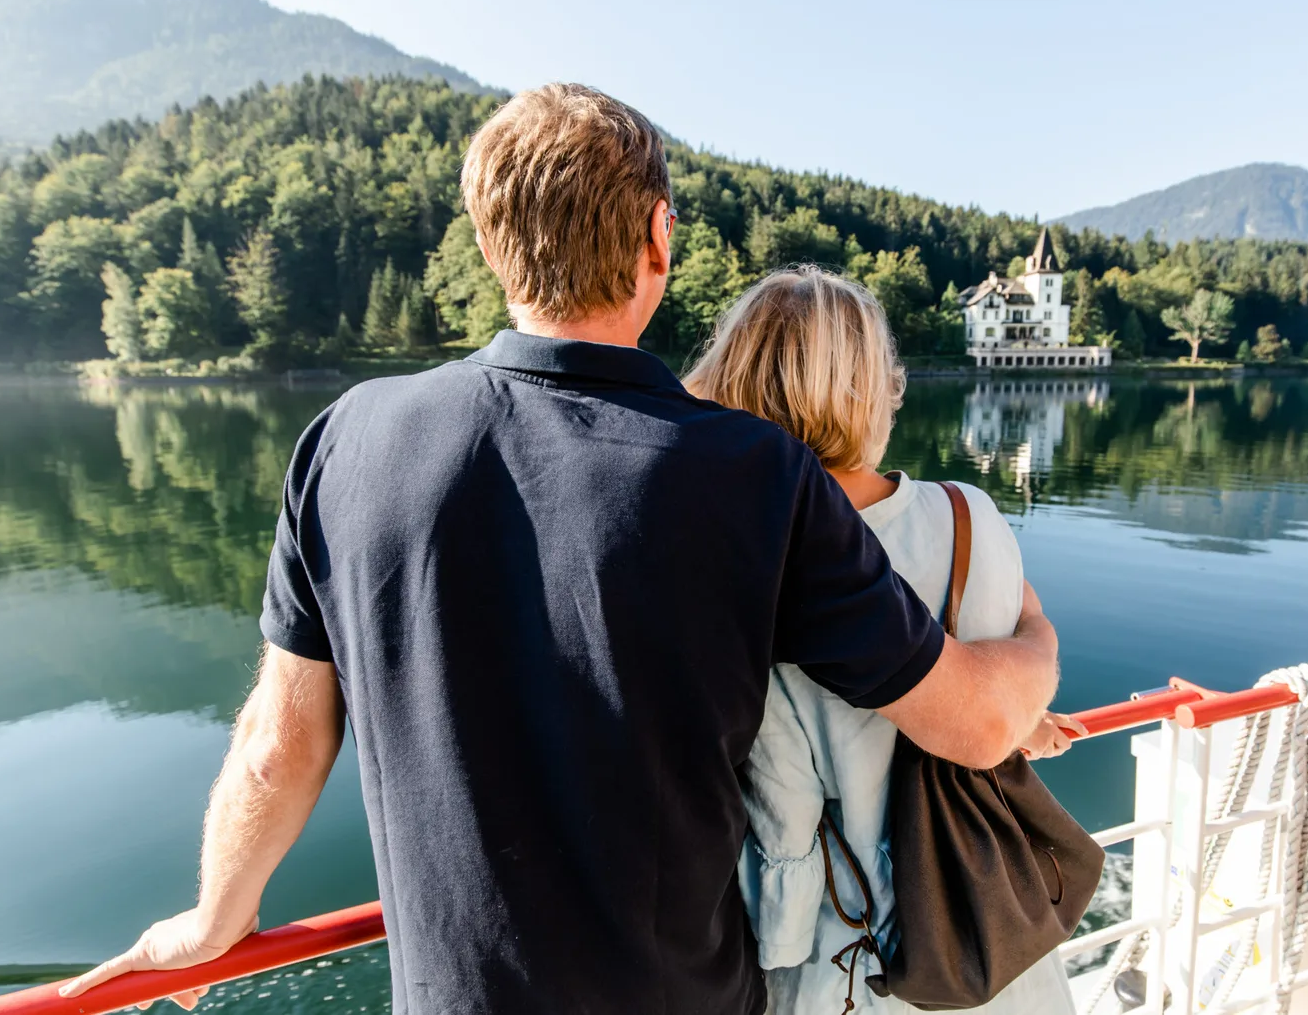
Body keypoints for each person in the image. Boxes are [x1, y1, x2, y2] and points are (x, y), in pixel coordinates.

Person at [61, 84, 1063, 1015]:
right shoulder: (754, 474)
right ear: (660, 236)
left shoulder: (344, 443)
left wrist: (213, 918)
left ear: (489, 245)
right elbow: (976, 725)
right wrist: (1034, 642)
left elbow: (278, 747)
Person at [685, 266, 1085, 1015]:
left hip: (857, 955)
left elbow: (787, 816)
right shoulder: (971, 512)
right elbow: (1006, 683)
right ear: (880, 390)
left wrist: (775, 962)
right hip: (993, 930)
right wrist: (1037, 662)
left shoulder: (753, 561)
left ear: (734, 385)